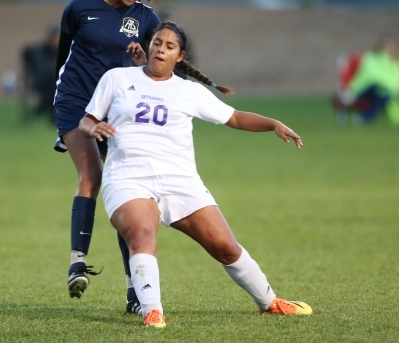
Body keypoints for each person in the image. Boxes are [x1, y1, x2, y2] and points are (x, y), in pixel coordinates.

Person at [79, 21, 313, 328]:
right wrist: (94, 127)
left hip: (180, 180)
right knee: (141, 235)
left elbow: (235, 117)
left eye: (169, 46)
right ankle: (152, 311)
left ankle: (270, 303)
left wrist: (273, 123)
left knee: (225, 247)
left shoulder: (188, 91)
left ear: (180, 55)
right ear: (149, 46)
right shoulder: (118, 78)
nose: (161, 49)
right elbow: (86, 120)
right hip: (127, 177)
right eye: (157, 42)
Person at [52, 0, 162, 313]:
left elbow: (152, 76)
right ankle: (76, 262)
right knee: (92, 176)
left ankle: (134, 291)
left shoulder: (146, 19)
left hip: (114, 110)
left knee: (121, 191)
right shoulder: (79, 8)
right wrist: (65, 108)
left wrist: (141, 62)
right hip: (74, 103)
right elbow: (63, 59)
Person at [340, 36, 399, 126]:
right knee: (375, 86)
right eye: (385, 46)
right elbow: (368, 75)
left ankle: (364, 117)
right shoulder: (371, 58)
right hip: (367, 89)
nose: (388, 49)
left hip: (386, 91)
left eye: (390, 47)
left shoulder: (396, 63)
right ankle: (349, 101)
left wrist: (384, 83)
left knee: (386, 95)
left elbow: (398, 82)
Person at [22, 24, 60, 124]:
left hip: (57, 83)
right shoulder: (40, 51)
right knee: (52, 90)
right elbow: (27, 56)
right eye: (54, 37)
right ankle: (50, 114)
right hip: (42, 83)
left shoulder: (65, 51)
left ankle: (42, 110)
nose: (55, 39)